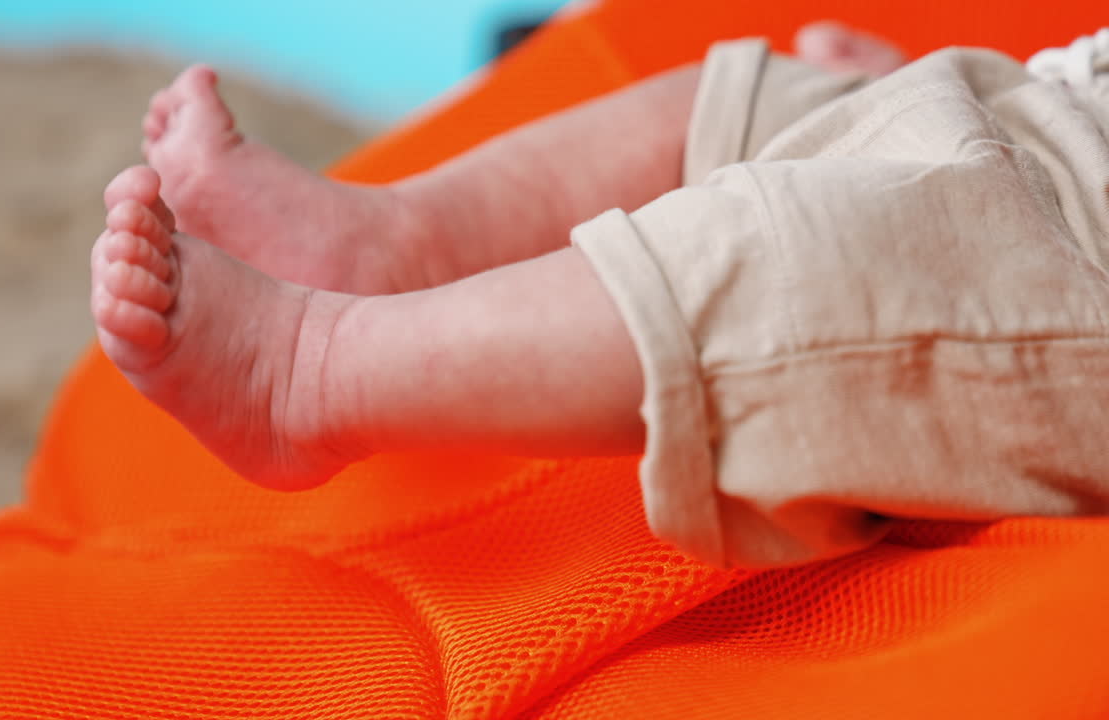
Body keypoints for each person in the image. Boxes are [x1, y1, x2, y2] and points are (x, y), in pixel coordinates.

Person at [88, 21, 1109, 569]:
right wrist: (951, 96)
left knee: (856, 255)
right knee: (725, 104)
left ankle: (310, 370)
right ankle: (396, 242)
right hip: (1062, 105)